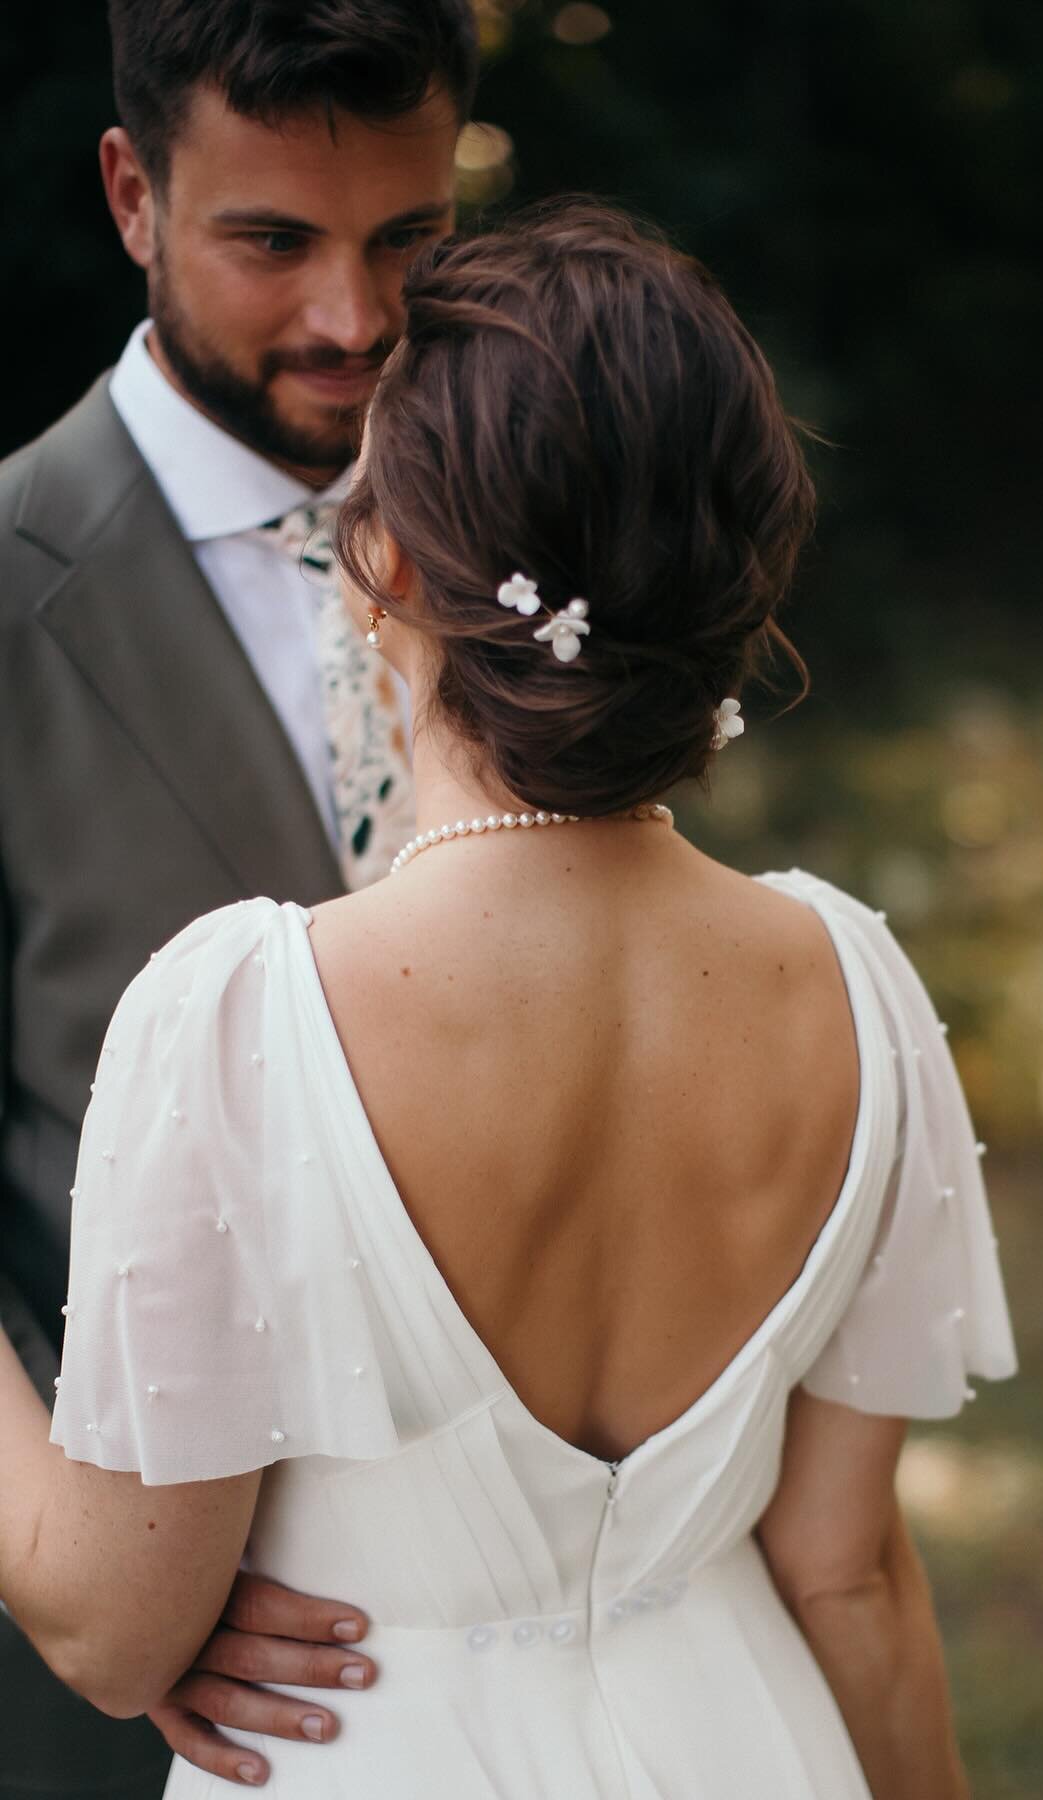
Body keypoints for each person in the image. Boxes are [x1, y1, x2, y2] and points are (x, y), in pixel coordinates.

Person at [0, 201, 1019, 1797]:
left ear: (385, 561)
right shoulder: (858, 990)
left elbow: (113, 1634)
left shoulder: (244, 1016)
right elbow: (850, 1573)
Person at [0, 0, 480, 1791]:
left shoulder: (549, 542)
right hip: (137, 1687)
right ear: (131, 193)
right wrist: (96, 1580)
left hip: (530, 1611)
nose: (355, 321)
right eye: (271, 242)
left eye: (409, 239)